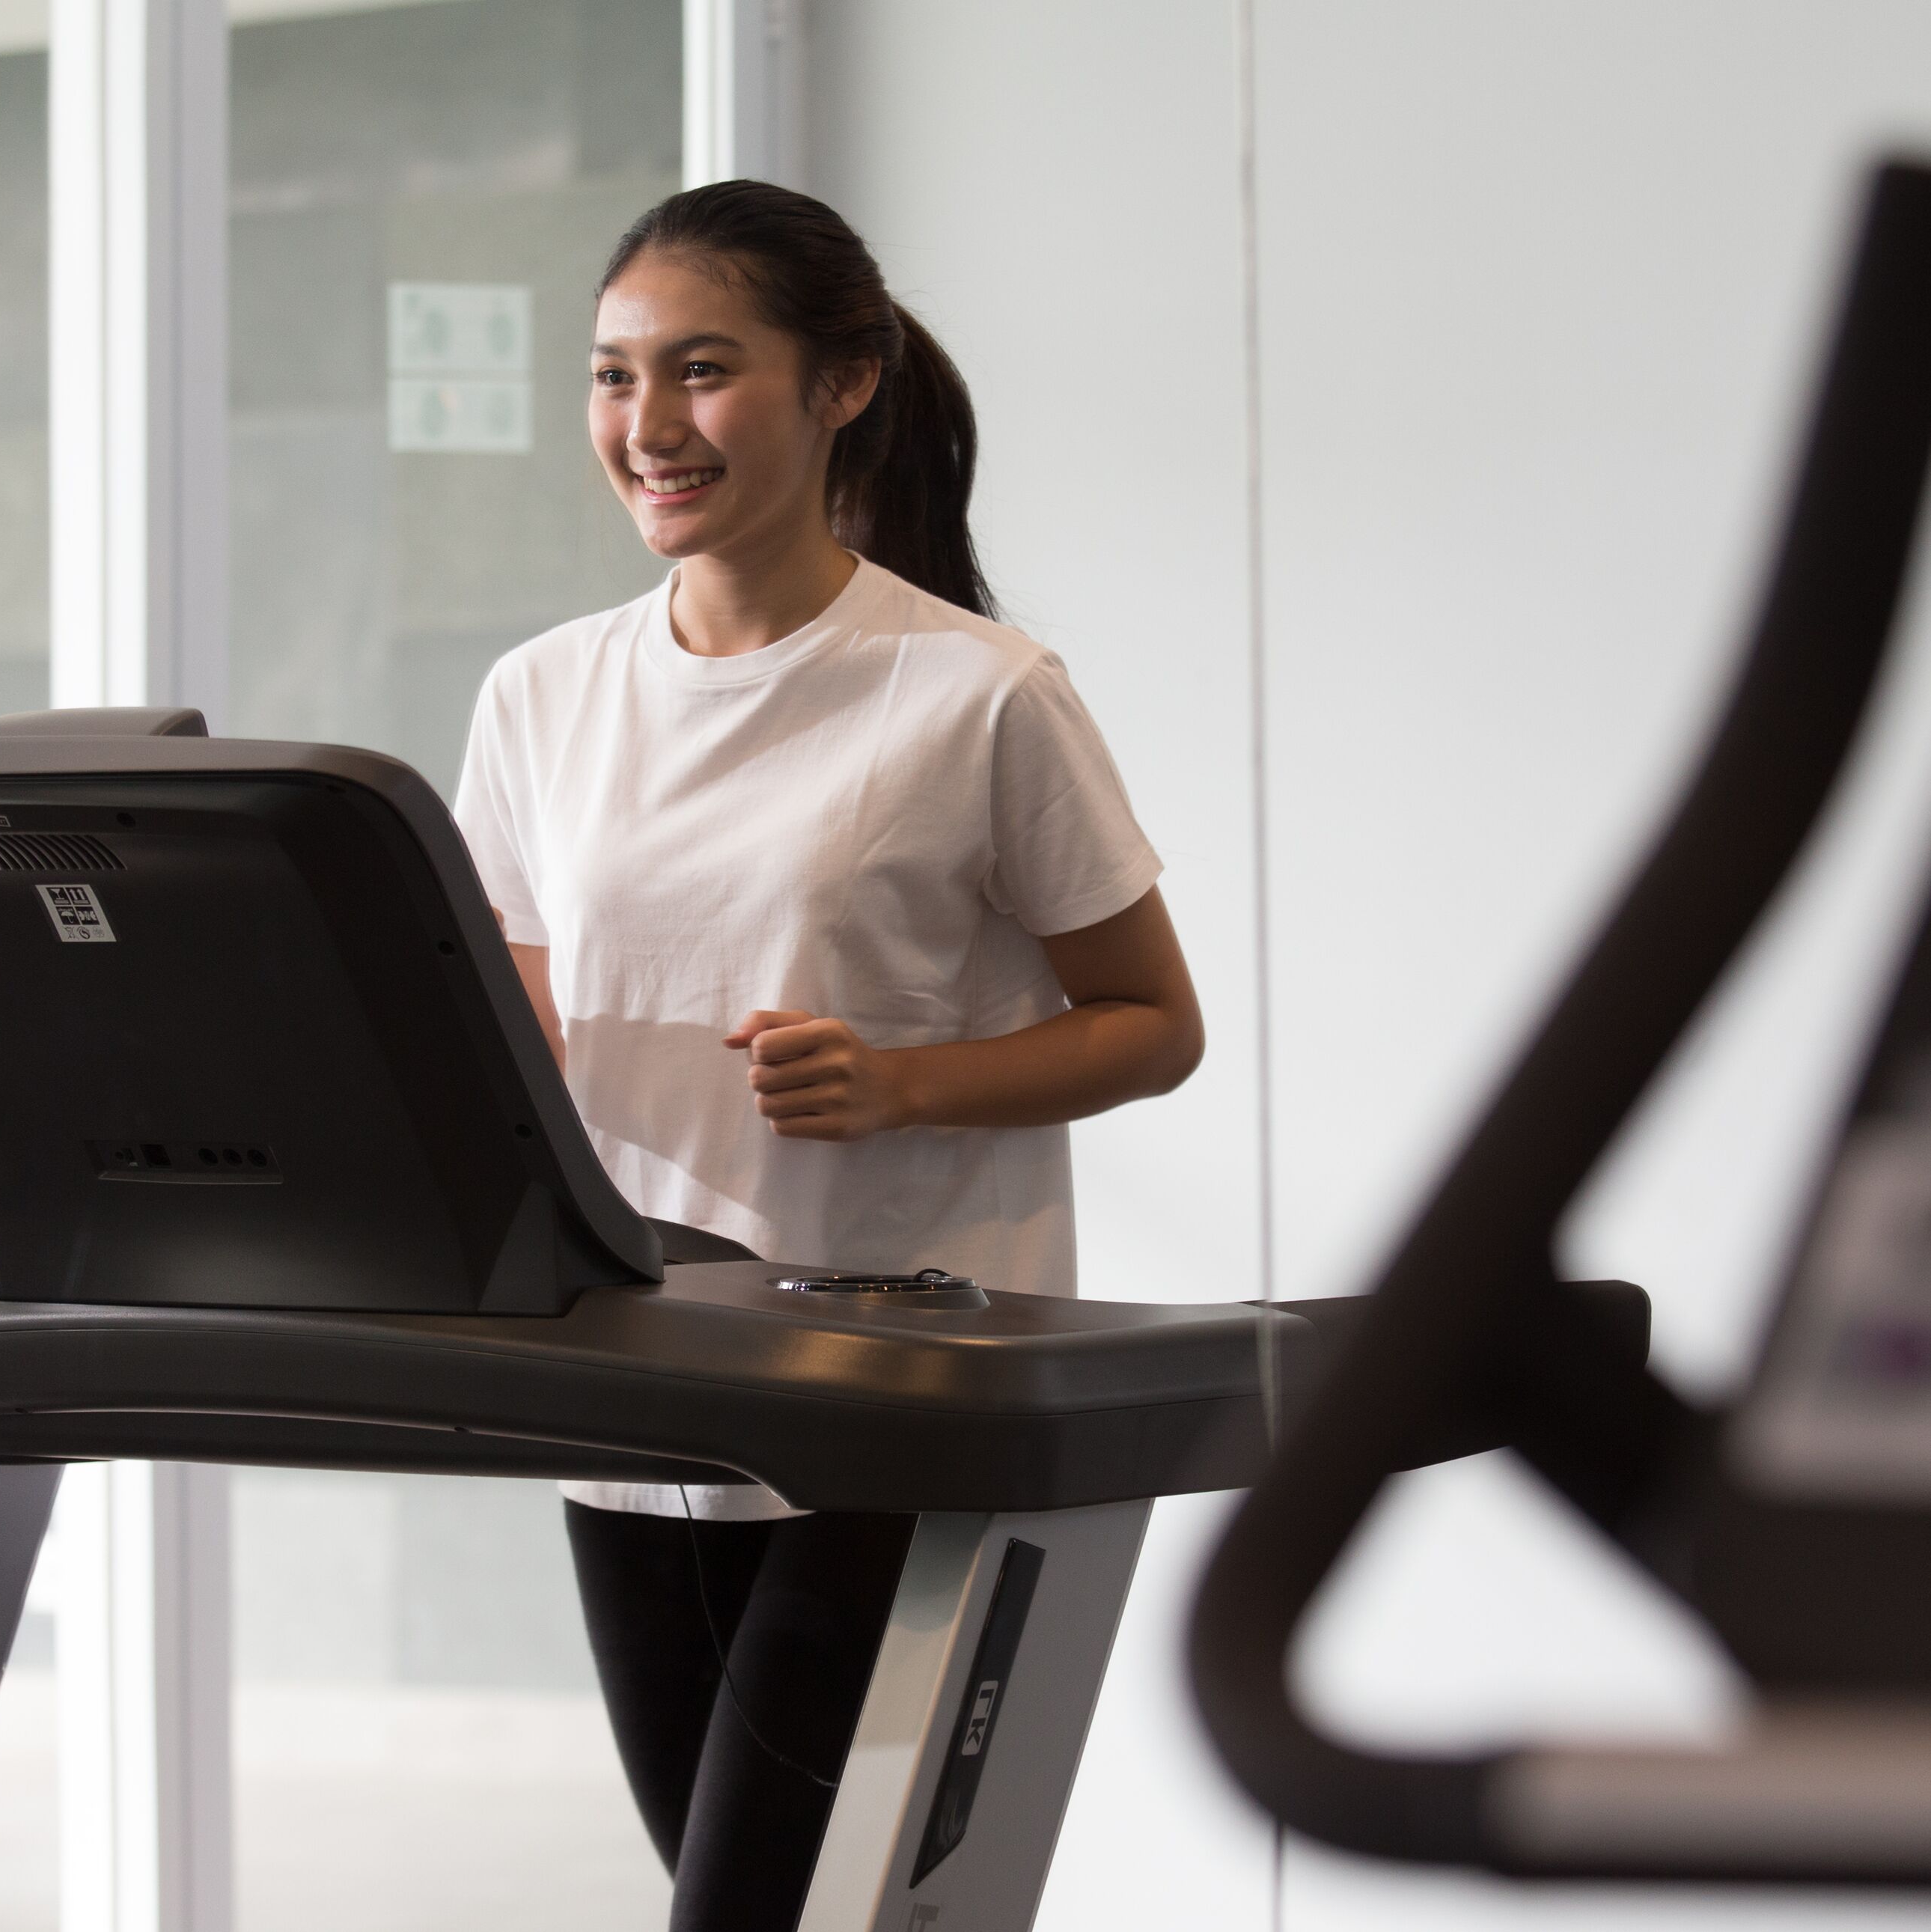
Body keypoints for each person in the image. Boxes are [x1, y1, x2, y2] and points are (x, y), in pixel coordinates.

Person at [451, 179, 1204, 1931]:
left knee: (770, 1908)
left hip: (892, 1396)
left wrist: (904, 1082)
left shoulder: (976, 694)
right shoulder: (539, 696)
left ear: (844, 382)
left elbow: (1153, 1023)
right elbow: (519, 1020)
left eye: (702, 371)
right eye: (613, 376)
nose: (648, 427)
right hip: (636, 1386)